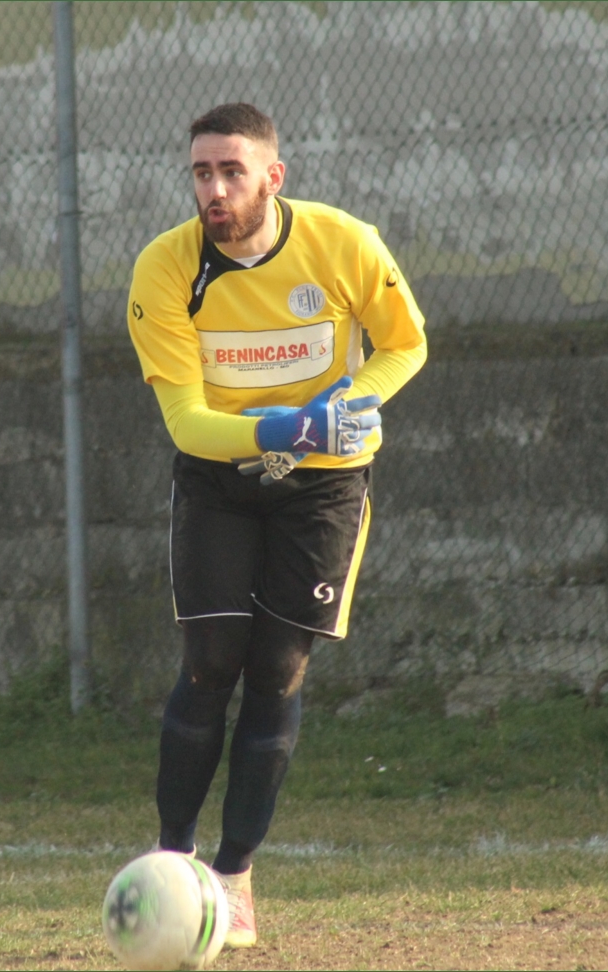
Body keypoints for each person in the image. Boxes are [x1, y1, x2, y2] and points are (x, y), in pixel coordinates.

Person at [126, 102, 426, 948]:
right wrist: (292, 426)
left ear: (273, 177)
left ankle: (234, 876)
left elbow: (405, 344)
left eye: (232, 171)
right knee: (210, 660)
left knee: (278, 669)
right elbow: (187, 424)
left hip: (323, 487)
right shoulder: (165, 268)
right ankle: (173, 865)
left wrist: (352, 402)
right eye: (201, 173)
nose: (214, 190)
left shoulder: (343, 243)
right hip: (221, 478)